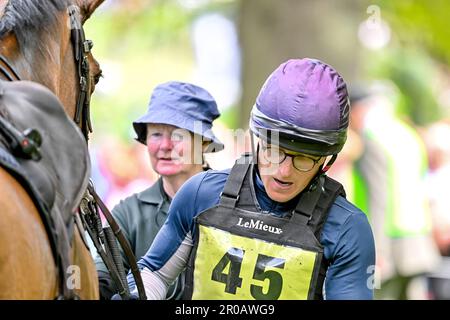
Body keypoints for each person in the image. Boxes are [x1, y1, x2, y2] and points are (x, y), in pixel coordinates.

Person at [123, 58, 376, 300]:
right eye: (274, 151)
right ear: (257, 141)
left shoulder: (348, 228)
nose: (284, 171)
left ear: (325, 161)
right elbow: (154, 274)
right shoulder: (200, 193)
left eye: (303, 159)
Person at [94, 81, 224, 299]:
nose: (165, 145)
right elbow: (103, 279)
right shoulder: (129, 214)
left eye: (177, 135)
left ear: (204, 142)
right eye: (156, 134)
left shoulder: (234, 204)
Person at [348, 83, 440, 299]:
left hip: (391, 247)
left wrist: (376, 249)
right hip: (419, 241)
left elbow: (378, 197)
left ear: (357, 110)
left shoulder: (371, 139)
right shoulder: (407, 134)